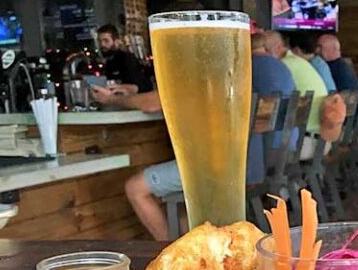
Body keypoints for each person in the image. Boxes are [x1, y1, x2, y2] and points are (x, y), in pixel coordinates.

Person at [121, 34, 296, 240]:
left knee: (136, 188)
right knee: (184, 201)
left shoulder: (218, 69)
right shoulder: (278, 67)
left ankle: (171, 254)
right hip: (260, 162)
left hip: (227, 168)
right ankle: (191, 251)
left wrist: (113, 99)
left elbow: (152, 103)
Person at [264, 31, 329, 160]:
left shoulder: (283, 66)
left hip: (304, 142)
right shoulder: (298, 61)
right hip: (321, 139)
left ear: (277, 47)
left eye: (265, 50)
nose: (263, 56)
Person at [96, 24, 152, 93]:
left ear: (116, 42)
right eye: (100, 41)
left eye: (106, 40)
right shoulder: (109, 62)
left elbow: (142, 86)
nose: (102, 45)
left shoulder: (127, 59)